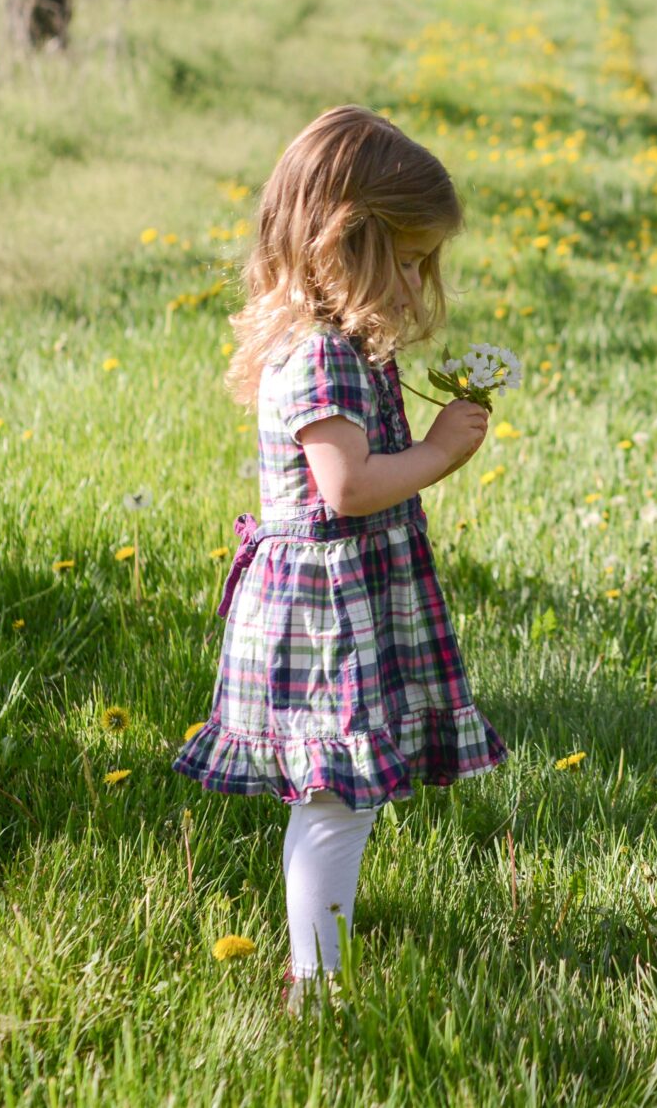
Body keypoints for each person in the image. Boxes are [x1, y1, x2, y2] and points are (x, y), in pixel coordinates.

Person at [172, 104, 505, 1005]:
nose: (415, 280)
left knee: (340, 797)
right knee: (333, 798)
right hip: (324, 615)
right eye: (404, 259)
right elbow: (345, 488)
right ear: (343, 244)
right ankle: (314, 985)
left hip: (345, 601)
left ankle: (319, 965)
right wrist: (438, 454)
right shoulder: (319, 356)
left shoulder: (340, 348)